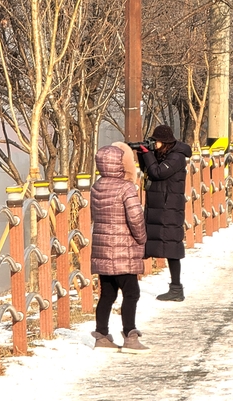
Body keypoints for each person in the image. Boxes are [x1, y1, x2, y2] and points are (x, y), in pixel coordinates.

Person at [90, 143, 149, 353]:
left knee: (107, 294)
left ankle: (102, 335)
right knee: (131, 292)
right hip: (124, 249)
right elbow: (136, 218)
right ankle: (130, 335)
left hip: (103, 250)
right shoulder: (126, 188)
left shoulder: (96, 186)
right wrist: (142, 239)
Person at [138, 124, 192, 301]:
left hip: (169, 207)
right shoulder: (165, 154)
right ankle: (132, 280)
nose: (155, 144)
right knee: (158, 244)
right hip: (160, 205)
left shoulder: (177, 157)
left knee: (172, 247)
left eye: (156, 141)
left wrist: (147, 153)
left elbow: (157, 172)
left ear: (165, 142)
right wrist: (142, 154)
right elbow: (147, 170)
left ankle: (176, 289)